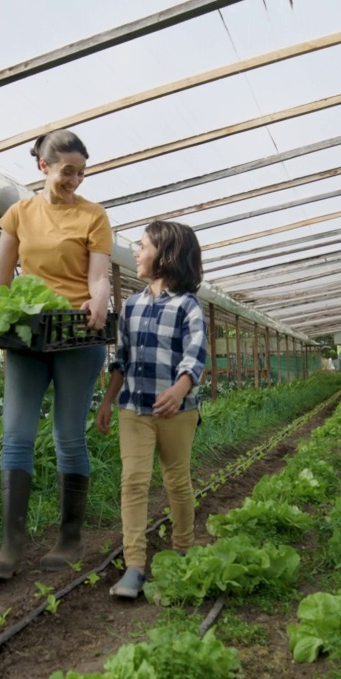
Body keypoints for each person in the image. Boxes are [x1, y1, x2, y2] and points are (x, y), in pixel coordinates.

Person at [0, 129, 112, 579]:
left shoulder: (94, 216)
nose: (75, 181)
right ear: (43, 167)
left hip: (75, 333)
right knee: (15, 436)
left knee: (69, 435)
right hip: (29, 335)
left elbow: (98, 278)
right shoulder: (19, 213)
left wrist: (99, 301)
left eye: (81, 173)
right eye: (67, 171)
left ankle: (69, 538)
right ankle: (11, 546)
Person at [96, 221, 206, 599]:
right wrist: (109, 400)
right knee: (133, 481)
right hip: (134, 408)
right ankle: (135, 566)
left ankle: (183, 549)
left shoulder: (188, 306)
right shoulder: (130, 305)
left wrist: (179, 390)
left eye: (143, 247)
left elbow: (195, 357)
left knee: (176, 480)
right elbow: (121, 359)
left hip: (178, 411)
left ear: (167, 255)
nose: (137, 253)